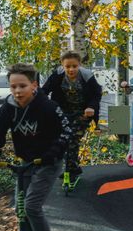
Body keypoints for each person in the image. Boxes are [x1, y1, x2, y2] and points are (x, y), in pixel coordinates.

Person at [0, 63, 72, 231]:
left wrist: (53, 153)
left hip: (48, 162)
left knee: (31, 206)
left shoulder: (47, 106)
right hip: (26, 162)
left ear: (34, 85)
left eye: (22, 86)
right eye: (13, 86)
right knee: (20, 208)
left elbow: (66, 132)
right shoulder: (8, 108)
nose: (17, 91)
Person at [41, 50, 102, 184]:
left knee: (73, 139)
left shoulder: (86, 76)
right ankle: (72, 167)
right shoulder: (57, 75)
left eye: (74, 66)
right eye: (67, 66)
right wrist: (42, 104)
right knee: (62, 140)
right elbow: (44, 91)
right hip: (63, 113)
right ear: (62, 65)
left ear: (79, 64)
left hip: (82, 113)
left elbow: (97, 93)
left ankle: (70, 171)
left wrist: (91, 107)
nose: (71, 69)